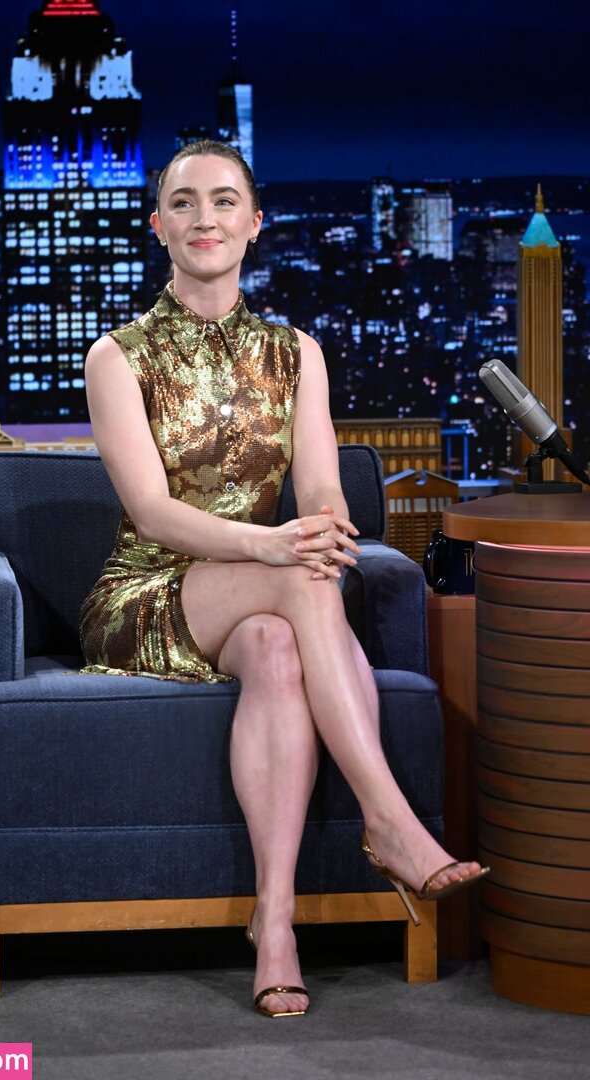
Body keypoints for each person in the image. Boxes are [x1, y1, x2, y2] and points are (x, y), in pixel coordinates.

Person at [80, 140, 488, 1018]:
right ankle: (390, 820)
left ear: (256, 224)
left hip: (260, 595)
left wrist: (324, 527)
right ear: (158, 226)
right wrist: (279, 548)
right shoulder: (117, 356)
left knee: (275, 645)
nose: (205, 218)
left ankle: (274, 926)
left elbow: (323, 491)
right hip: (151, 591)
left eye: (224, 201)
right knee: (301, 579)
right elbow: (153, 515)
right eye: (183, 203)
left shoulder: (298, 354)